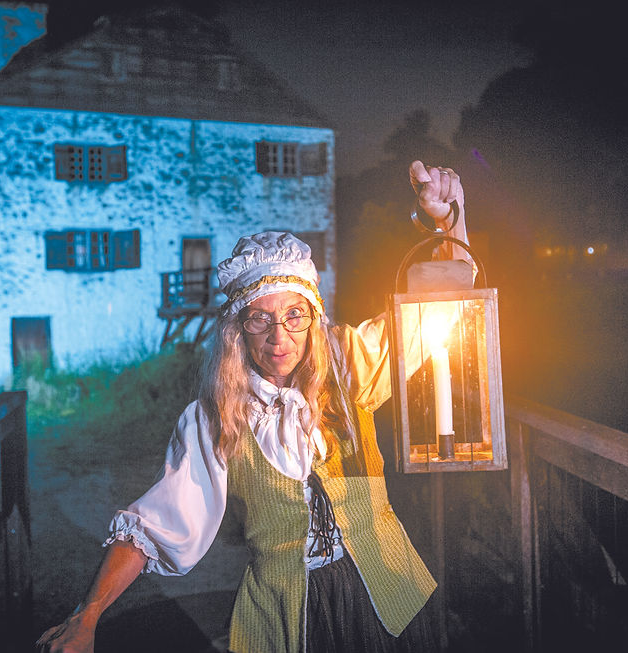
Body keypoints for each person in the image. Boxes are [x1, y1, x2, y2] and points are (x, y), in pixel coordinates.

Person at [36, 161, 469, 653]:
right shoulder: (214, 418)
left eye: (293, 315)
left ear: (314, 315)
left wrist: (444, 224)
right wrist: (88, 615)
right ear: (238, 328)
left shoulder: (349, 365)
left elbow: (439, 307)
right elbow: (155, 526)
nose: (279, 337)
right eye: (260, 319)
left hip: (392, 598)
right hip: (287, 621)